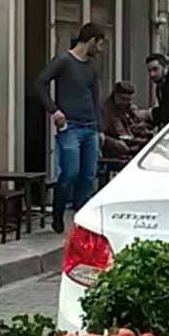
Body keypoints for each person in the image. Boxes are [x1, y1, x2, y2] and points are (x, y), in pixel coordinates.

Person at [36, 23, 105, 232]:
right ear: (92, 40)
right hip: (70, 125)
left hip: (90, 126)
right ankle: (58, 212)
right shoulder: (63, 61)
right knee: (70, 172)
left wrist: (99, 128)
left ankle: (82, 222)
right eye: (99, 44)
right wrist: (54, 110)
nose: (100, 50)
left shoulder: (92, 66)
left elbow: (95, 96)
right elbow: (40, 83)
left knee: (88, 175)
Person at [100, 80, 151, 161]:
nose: (126, 102)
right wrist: (114, 143)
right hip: (114, 153)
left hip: (130, 147)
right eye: (123, 99)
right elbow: (99, 135)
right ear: (115, 95)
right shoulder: (105, 111)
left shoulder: (128, 110)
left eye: (129, 99)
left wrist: (138, 126)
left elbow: (130, 130)